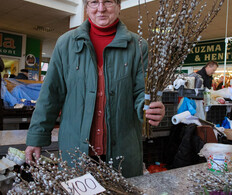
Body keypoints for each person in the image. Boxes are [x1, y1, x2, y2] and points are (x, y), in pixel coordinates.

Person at [25, 0, 165, 178]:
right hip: (76, 151)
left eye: (108, 1)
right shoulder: (66, 44)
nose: (101, 9)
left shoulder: (138, 46)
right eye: (94, 2)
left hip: (122, 151)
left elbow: (141, 93)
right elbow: (50, 96)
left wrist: (149, 109)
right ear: (86, 7)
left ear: (119, 6)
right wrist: (36, 138)